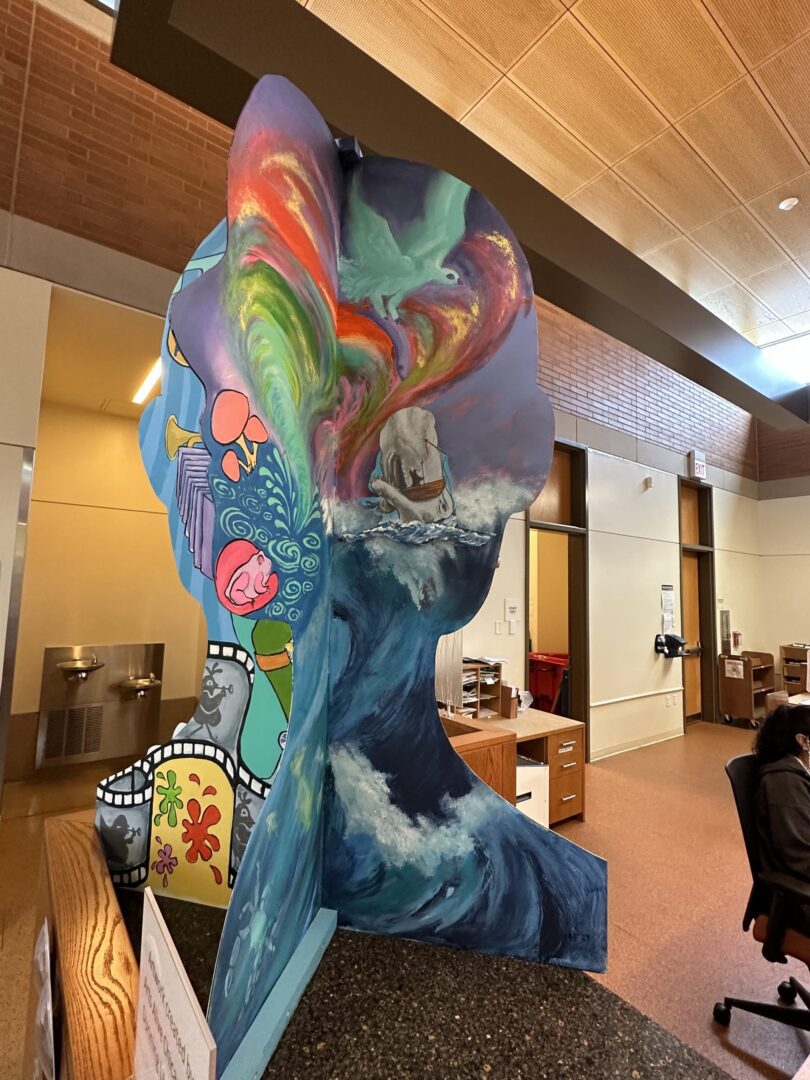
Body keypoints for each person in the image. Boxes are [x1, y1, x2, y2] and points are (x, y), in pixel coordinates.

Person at [755, 704, 810, 933]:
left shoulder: (800, 775)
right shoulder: (784, 783)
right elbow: (800, 858)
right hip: (802, 900)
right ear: (803, 741)